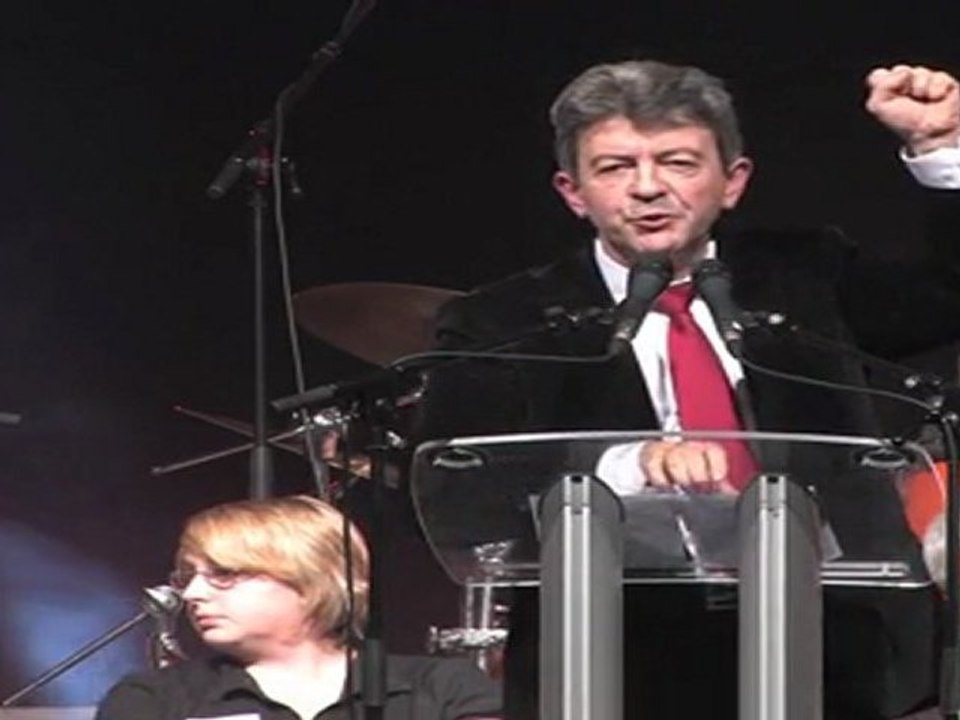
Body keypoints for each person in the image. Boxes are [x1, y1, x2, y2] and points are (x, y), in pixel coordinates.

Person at [412, 60, 960, 719]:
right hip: (619, 661)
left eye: (677, 162)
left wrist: (942, 149)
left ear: (733, 182)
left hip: (842, 653)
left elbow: (947, 296)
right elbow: (455, 481)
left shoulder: (806, 275)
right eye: (615, 167)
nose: (648, 188)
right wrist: (623, 464)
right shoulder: (504, 321)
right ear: (573, 192)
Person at [95, 494, 502, 720]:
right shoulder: (153, 698)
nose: (192, 593)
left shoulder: (443, 688)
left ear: (311, 579)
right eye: (189, 576)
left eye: (224, 574)